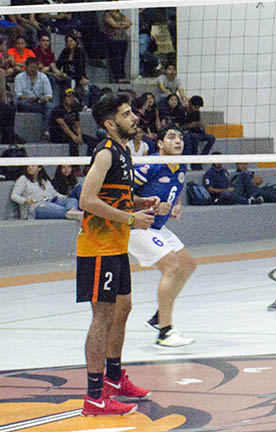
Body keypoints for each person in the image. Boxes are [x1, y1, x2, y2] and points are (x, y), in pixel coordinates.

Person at [75, 94, 158, 416]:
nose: (134, 117)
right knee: (102, 317)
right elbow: (86, 199)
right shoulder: (107, 153)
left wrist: (142, 202)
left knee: (123, 308)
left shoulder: (123, 151)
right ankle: (95, 397)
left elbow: (116, 198)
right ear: (111, 124)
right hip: (98, 249)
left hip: (116, 247)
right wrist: (130, 218)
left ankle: (113, 378)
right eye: (126, 114)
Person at [131, 125, 197, 347]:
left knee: (187, 264)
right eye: (171, 137)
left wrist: (176, 204)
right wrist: (147, 204)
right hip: (136, 225)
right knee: (171, 266)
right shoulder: (150, 165)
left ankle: (159, 316)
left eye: (180, 137)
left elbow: (175, 188)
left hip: (158, 227)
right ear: (159, 144)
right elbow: (120, 194)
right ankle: (165, 332)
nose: (178, 141)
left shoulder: (180, 166)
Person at [10, 163, 82, 219]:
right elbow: (14, 195)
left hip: (52, 200)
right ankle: (72, 213)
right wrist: (25, 200)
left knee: (72, 200)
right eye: (28, 166)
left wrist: (65, 198)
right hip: (36, 206)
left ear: (39, 168)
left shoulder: (44, 179)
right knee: (50, 206)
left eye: (33, 166)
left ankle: (73, 211)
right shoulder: (23, 179)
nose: (29, 167)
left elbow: (54, 194)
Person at [14, 57, 54, 131]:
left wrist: (45, 98)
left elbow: (49, 94)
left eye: (35, 67)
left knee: (51, 105)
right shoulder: (19, 77)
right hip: (25, 102)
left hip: (39, 102)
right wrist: (28, 98)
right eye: (31, 67)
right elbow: (18, 95)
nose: (33, 69)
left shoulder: (43, 77)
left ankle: (46, 130)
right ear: (26, 67)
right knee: (22, 103)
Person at [50, 89, 89, 156]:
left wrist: (79, 136)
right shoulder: (57, 110)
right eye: (69, 96)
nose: (72, 99)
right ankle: (75, 165)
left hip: (71, 132)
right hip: (58, 134)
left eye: (73, 97)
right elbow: (63, 125)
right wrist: (73, 136)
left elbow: (77, 125)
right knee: (73, 143)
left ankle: (89, 162)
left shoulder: (74, 109)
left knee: (92, 141)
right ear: (64, 99)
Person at [102, 0, 133, 83]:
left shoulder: (121, 14)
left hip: (123, 39)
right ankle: (117, 77)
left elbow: (129, 23)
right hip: (113, 39)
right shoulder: (107, 14)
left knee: (122, 59)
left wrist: (119, 24)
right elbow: (113, 24)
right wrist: (122, 24)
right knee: (115, 59)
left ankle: (122, 77)